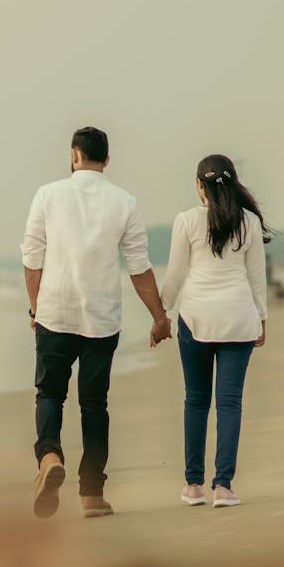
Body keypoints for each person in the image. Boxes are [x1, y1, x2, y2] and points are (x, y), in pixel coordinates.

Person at [21, 126, 171, 520]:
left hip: (56, 311)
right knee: (94, 405)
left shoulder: (48, 195)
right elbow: (139, 267)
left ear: (74, 156)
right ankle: (91, 495)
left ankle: (49, 455)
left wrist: (36, 307)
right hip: (101, 320)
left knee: (50, 393)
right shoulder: (124, 202)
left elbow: (32, 256)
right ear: (107, 160)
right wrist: (160, 317)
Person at [157, 154, 271, 508]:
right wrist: (262, 318)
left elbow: (175, 275)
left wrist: (160, 312)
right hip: (239, 318)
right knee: (230, 403)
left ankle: (193, 486)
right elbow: (256, 277)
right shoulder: (249, 222)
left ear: (199, 186)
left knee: (196, 400)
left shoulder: (187, 220)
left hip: (195, 318)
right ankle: (223, 486)